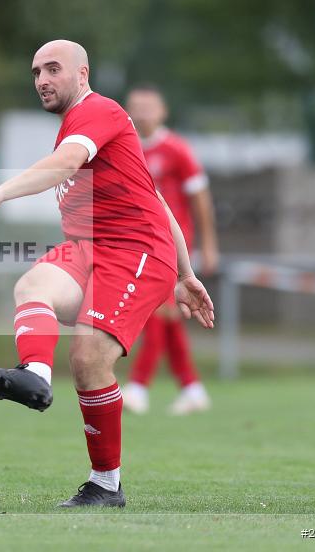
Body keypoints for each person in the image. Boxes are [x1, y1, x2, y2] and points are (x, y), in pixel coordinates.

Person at [0, 40, 214, 508]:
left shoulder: (99, 110)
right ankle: (34, 374)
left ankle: (105, 485)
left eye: (53, 69)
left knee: (88, 356)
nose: (42, 80)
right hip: (90, 247)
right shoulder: (86, 126)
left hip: (135, 250)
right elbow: (157, 200)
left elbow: (64, 165)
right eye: (36, 72)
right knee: (32, 285)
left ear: (83, 74)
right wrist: (188, 272)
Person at [122, 84, 220, 415]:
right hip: (139, 244)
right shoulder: (127, 145)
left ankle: (138, 388)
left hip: (173, 249)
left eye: (150, 105)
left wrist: (208, 245)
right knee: (169, 319)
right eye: (136, 105)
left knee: (158, 314)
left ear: (162, 111)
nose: (143, 111)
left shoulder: (176, 149)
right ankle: (192, 389)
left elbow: (201, 199)